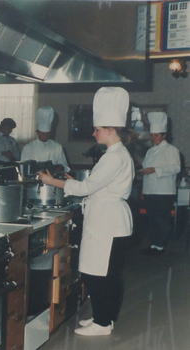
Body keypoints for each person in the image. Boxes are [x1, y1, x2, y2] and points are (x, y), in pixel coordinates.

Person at [38, 87, 134, 336]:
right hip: (106, 220)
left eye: (97, 129)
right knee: (99, 273)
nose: (94, 133)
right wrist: (75, 182)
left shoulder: (114, 156)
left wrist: (53, 182)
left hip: (108, 223)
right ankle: (103, 318)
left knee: (102, 275)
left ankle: (103, 323)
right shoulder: (115, 154)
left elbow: (88, 187)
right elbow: (96, 185)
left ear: (110, 129)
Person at [140, 112, 180, 255]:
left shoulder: (171, 150)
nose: (154, 138)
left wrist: (155, 170)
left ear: (164, 136)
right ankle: (153, 245)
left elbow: (176, 168)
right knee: (152, 220)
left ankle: (160, 246)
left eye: (157, 135)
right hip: (150, 190)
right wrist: (143, 172)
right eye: (152, 135)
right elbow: (146, 167)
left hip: (164, 191)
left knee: (162, 220)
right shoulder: (150, 151)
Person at [21, 107, 70, 172]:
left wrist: (61, 168)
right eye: (43, 134)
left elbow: (65, 166)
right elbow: (23, 168)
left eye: (48, 134)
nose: (45, 137)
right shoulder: (28, 148)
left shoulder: (57, 147)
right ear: (37, 132)